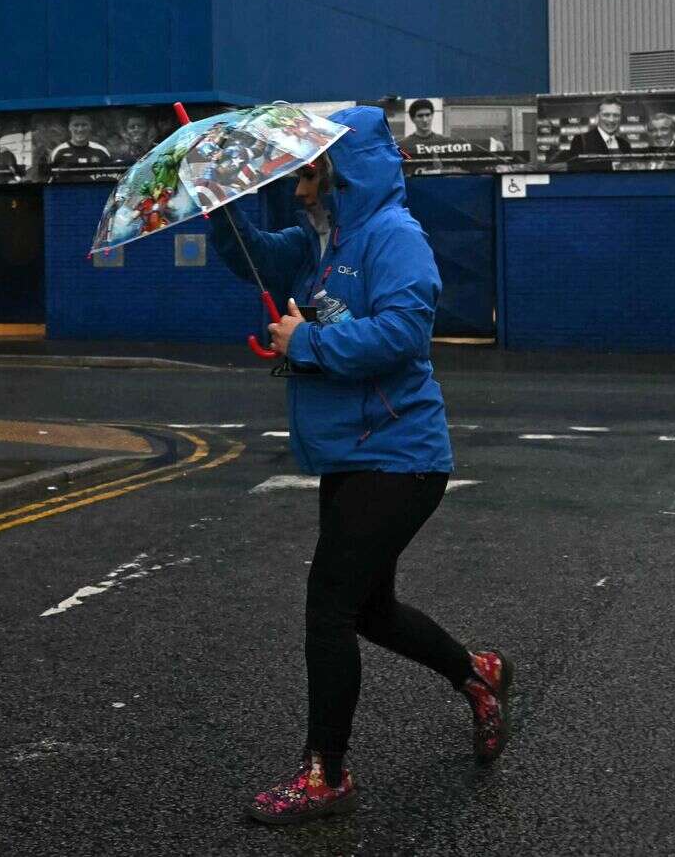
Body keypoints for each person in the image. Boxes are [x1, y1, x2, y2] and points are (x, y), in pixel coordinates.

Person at [207, 106, 514, 826]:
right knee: (370, 610)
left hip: (401, 456)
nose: (296, 180)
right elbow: (246, 254)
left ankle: (327, 774)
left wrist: (303, 343)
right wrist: (224, 205)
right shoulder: (317, 243)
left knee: (330, 609)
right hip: (352, 455)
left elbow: (407, 334)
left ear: (344, 171)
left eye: (309, 168)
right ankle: (479, 677)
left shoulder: (392, 237)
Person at [560, 95, 632, 169]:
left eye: (616, 115)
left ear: (621, 117)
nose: (611, 120)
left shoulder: (625, 145)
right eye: (606, 115)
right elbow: (575, 174)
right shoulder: (581, 141)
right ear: (597, 116)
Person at [47, 112, 114, 169]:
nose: (80, 130)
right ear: (69, 127)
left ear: (90, 127)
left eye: (84, 125)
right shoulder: (59, 152)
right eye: (76, 125)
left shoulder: (101, 151)